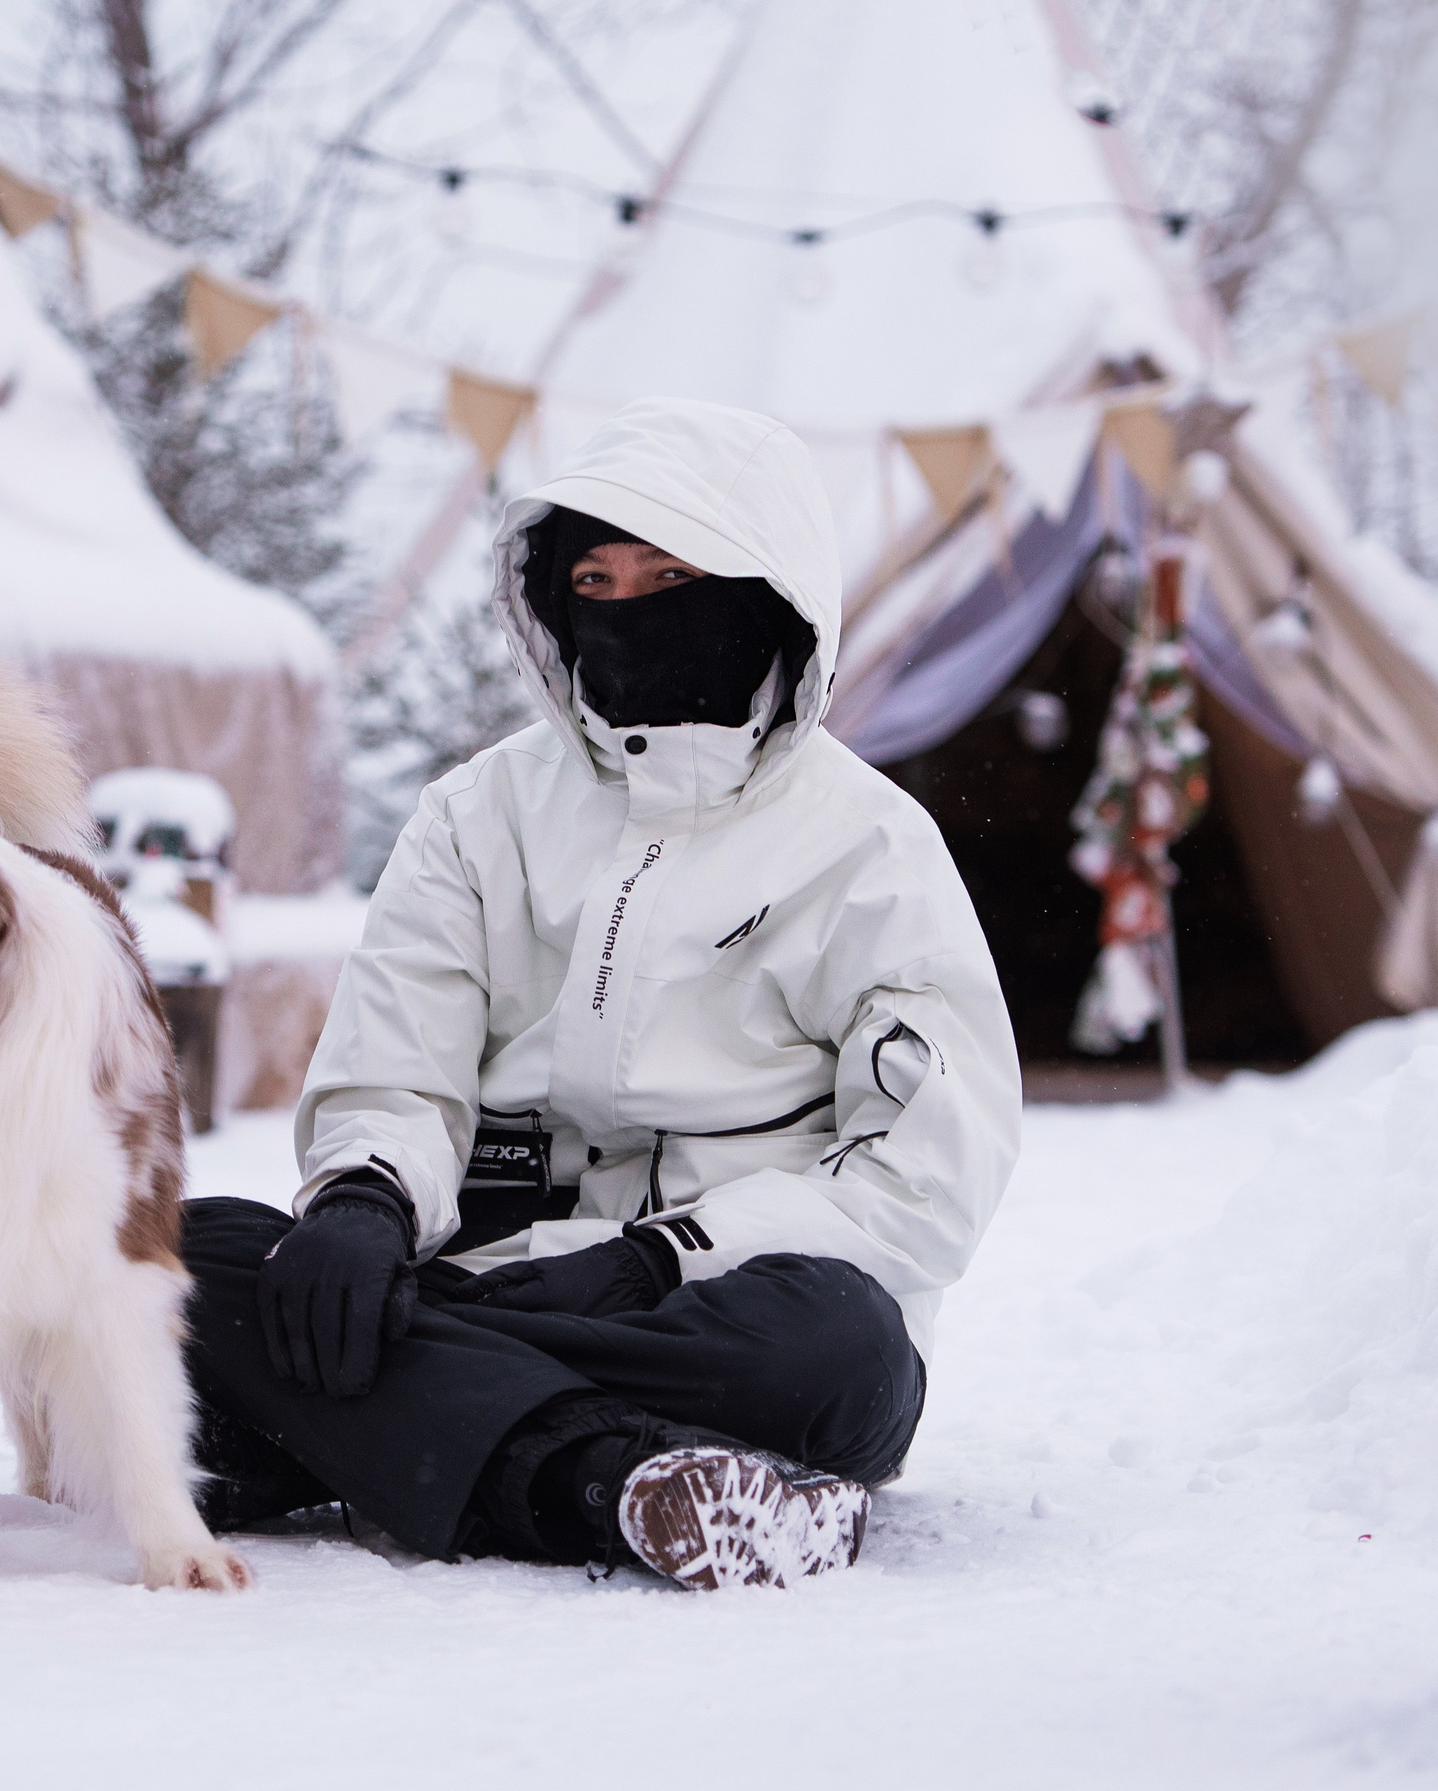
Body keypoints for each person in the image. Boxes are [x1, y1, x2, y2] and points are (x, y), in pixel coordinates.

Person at [183, 398, 1021, 1589]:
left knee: (843, 1347)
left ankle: (359, 1425)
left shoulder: (868, 847)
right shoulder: (476, 816)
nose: (629, 611)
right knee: (184, 1252)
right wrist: (366, 1198)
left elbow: (929, 1176)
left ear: (766, 590)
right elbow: (396, 1065)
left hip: (715, 1315)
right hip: (482, 1266)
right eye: (595, 577)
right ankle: (617, 1479)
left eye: (670, 574)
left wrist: (658, 1257)